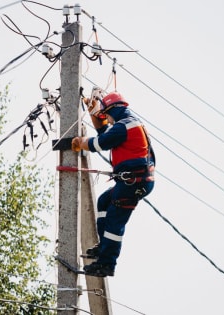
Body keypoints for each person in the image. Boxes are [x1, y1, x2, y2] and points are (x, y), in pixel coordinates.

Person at [71, 88, 156, 277]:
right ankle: (104, 248)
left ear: (114, 109)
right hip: (133, 181)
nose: (106, 118)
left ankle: (107, 263)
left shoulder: (125, 126)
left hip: (133, 182)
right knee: (103, 201)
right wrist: (95, 113)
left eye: (107, 114)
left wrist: (80, 141)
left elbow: (99, 143)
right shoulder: (127, 124)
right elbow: (104, 132)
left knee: (114, 221)